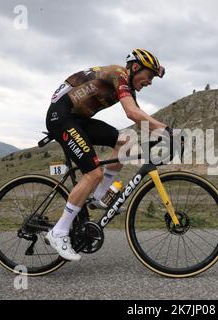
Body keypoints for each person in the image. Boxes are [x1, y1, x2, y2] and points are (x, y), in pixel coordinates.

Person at [44, 49, 172, 261]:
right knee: (93, 174)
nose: (149, 82)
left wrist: (164, 135)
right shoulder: (118, 74)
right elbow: (132, 113)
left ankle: (99, 196)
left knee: (127, 142)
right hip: (62, 117)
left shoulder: (127, 83)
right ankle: (58, 232)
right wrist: (168, 130)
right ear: (135, 68)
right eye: (148, 77)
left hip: (78, 119)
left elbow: (141, 121)